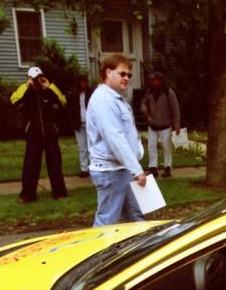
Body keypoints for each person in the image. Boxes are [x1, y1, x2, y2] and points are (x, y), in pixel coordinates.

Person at [86, 53, 146, 226]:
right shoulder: (104, 100)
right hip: (111, 172)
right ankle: (97, 253)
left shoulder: (116, 99)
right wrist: (137, 170)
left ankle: (142, 251)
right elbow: (115, 138)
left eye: (129, 75)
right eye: (122, 74)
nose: (126, 78)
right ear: (108, 73)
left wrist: (134, 165)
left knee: (136, 218)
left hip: (122, 169)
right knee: (106, 223)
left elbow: (128, 134)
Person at [10, 66, 68, 204]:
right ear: (29, 78)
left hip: (50, 134)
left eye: (39, 77)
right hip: (33, 134)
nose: (37, 81)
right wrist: (27, 87)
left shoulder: (49, 89)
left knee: (54, 164)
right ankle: (27, 194)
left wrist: (50, 87)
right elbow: (14, 102)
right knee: (30, 165)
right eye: (34, 78)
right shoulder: (25, 90)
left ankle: (59, 192)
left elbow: (62, 102)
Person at [140, 71, 181, 178]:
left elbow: (175, 108)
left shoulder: (168, 92)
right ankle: (153, 168)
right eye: (151, 80)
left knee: (166, 147)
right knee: (151, 147)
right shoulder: (149, 92)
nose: (152, 82)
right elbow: (143, 102)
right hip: (152, 125)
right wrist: (146, 112)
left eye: (154, 80)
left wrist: (176, 124)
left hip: (165, 125)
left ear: (160, 80)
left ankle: (167, 167)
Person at [67, 74, 93, 177]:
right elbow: (71, 109)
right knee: (82, 147)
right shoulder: (74, 94)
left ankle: (93, 167)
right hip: (79, 122)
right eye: (81, 82)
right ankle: (84, 168)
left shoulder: (91, 93)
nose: (83, 84)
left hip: (90, 123)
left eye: (84, 82)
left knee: (91, 146)